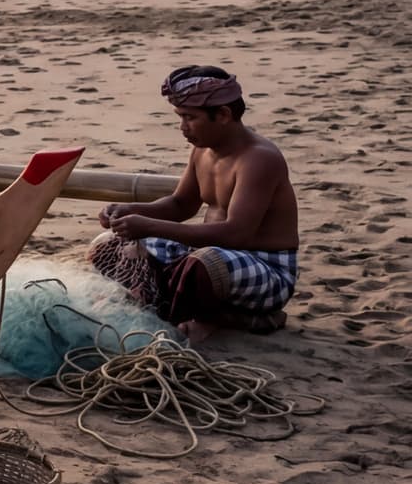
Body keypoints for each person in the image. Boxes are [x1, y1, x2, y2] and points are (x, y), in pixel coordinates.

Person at [89, 66, 299, 339]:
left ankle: (218, 318)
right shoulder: (202, 150)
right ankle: (190, 309)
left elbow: (237, 233)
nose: (183, 127)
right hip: (208, 251)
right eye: (180, 117)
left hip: (265, 269)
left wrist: (149, 226)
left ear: (223, 115)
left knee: (204, 265)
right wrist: (129, 211)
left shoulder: (259, 159)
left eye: (190, 117)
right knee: (107, 245)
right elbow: (180, 205)